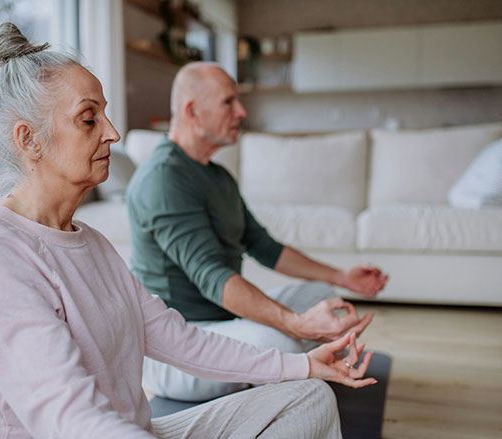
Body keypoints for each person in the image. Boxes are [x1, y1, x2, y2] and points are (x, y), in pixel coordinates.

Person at [0, 23, 377, 439]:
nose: (112, 133)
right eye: (89, 119)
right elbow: (69, 418)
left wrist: (301, 365)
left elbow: (177, 337)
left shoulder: (91, 243)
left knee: (308, 397)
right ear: (28, 140)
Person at [127, 61, 389, 402]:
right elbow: (212, 276)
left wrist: (342, 277)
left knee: (323, 297)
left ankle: (290, 362)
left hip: (223, 324)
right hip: (179, 348)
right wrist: (295, 324)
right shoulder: (163, 179)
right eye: (228, 102)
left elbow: (263, 246)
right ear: (192, 111)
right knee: (282, 343)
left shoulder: (218, 176)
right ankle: (292, 362)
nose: (241, 111)